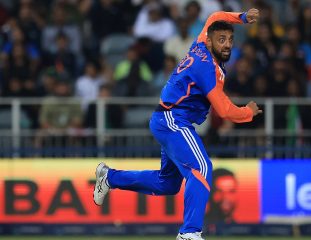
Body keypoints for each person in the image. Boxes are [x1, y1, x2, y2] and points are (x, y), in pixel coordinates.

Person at [93, 9, 261, 240]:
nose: (227, 44)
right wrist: (248, 112)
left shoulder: (202, 42)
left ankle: (110, 177)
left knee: (168, 184)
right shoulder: (207, 69)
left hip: (167, 119)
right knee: (201, 168)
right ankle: (189, 233)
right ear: (210, 41)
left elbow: (214, 17)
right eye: (221, 40)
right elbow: (224, 110)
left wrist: (241, 17)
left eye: (230, 40)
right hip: (173, 119)